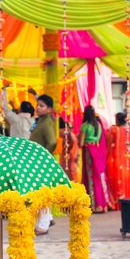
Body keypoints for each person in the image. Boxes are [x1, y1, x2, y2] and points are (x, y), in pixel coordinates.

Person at [30, 94, 57, 233]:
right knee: (38, 190)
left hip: (41, 162)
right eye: (37, 105)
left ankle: (43, 225)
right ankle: (48, 218)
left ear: (49, 109)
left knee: (42, 192)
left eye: (42, 106)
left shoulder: (47, 122)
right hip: (36, 161)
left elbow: (52, 142)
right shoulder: (40, 120)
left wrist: (44, 156)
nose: (38, 108)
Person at [78, 105, 112, 213]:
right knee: (100, 177)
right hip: (98, 151)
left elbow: (81, 143)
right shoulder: (98, 125)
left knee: (91, 177)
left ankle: (95, 205)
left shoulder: (85, 126)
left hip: (89, 151)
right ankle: (104, 204)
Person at [106, 111, 130, 210]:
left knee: (115, 177)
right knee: (126, 177)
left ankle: (116, 202)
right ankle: (127, 199)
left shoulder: (114, 130)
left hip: (115, 158)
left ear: (117, 120)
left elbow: (108, 142)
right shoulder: (128, 130)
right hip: (126, 159)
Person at [58, 117, 79, 182]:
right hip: (69, 160)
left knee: (69, 177)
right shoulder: (70, 136)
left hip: (69, 161)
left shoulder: (70, 137)